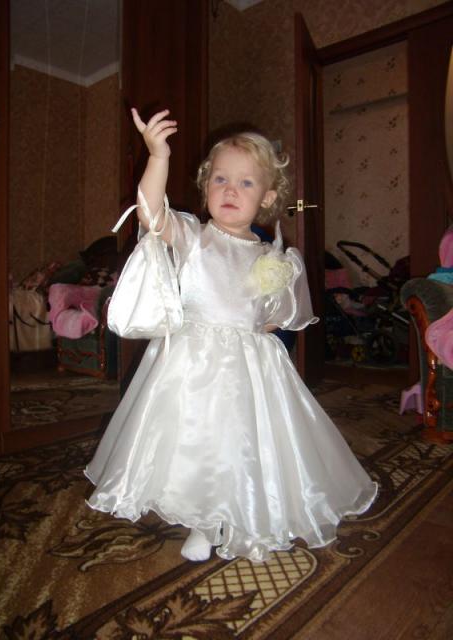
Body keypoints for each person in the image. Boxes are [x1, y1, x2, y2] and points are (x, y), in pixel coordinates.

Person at [84, 108, 378, 563]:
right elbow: (150, 213)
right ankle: (204, 520)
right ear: (206, 187)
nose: (230, 190)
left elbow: (278, 314)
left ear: (267, 197)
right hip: (192, 362)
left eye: (245, 182)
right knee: (198, 439)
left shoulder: (272, 256)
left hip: (250, 365)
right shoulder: (193, 236)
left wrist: (262, 327)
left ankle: (243, 511)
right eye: (220, 179)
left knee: (246, 440)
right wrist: (158, 156)